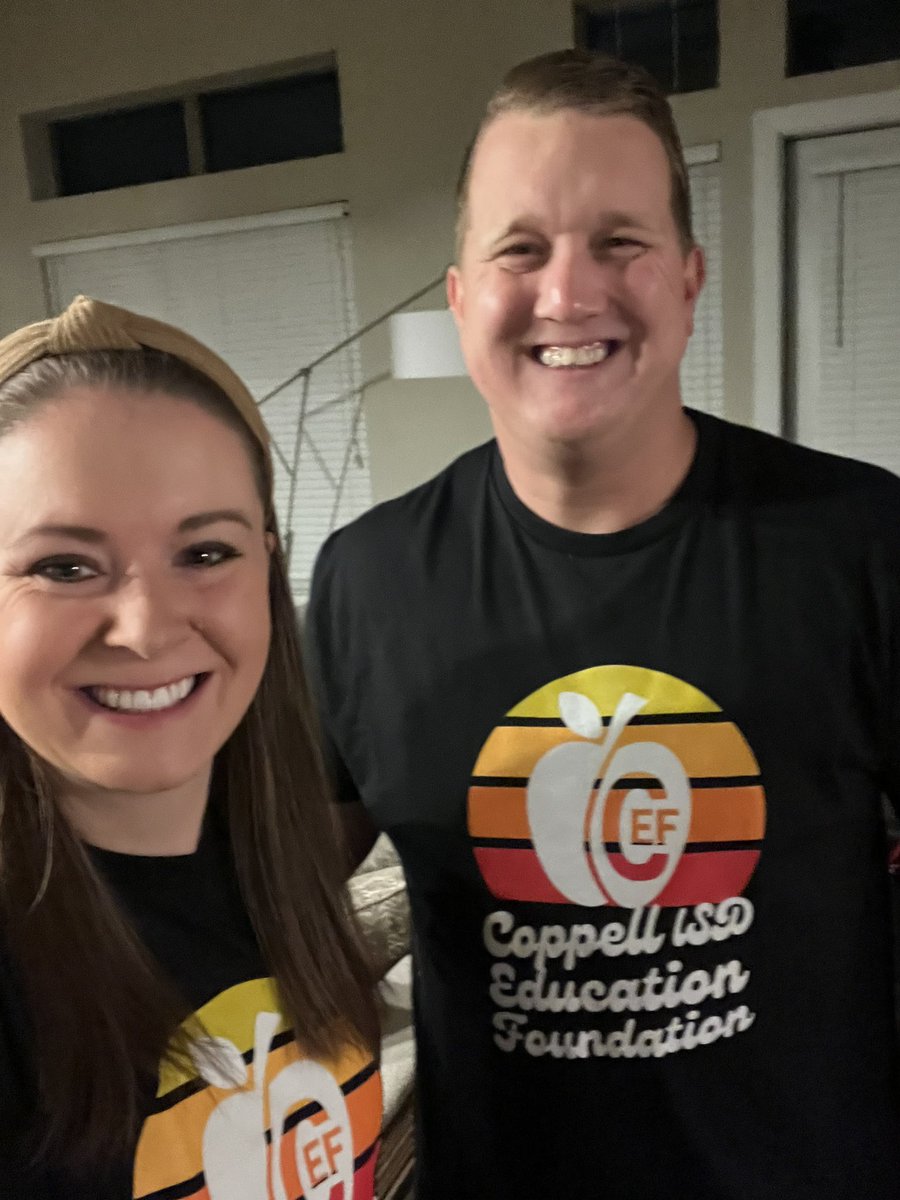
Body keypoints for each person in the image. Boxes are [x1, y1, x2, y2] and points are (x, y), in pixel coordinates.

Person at [306, 48, 900, 1200]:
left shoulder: (861, 539)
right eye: (520, 248)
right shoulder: (366, 579)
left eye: (618, 242)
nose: (568, 294)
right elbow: (276, 903)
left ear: (687, 277)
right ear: (463, 295)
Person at [0, 296, 382, 1199]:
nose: (143, 628)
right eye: (64, 567)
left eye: (205, 553)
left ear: (267, 564)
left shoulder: (280, 877)